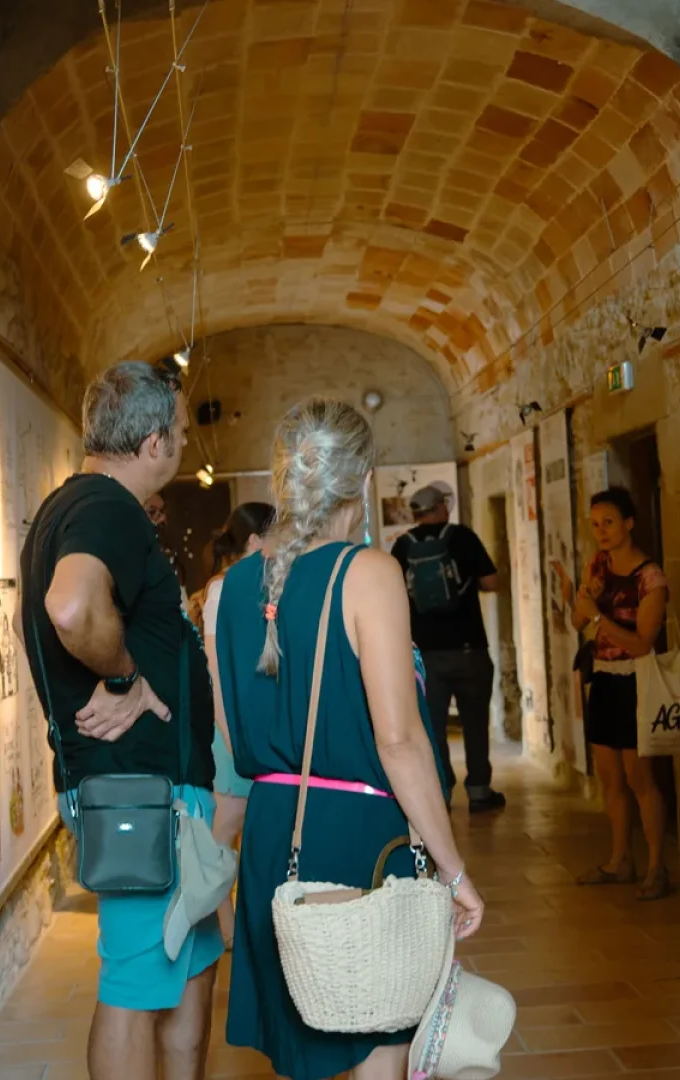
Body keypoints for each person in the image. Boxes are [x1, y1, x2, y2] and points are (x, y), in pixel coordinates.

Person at [213, 399, 484, 1080]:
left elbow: (231, 736)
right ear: (362, 478)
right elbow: (399, 742)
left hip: (275, 834)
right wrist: (454, 871)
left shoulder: (228, 589)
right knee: (378, 1047)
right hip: (359, 835)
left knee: (304, 1049)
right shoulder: (367, 574)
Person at [18, 361, 222, 1080]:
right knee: (136, 987)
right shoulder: (105, 508)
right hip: (137, 795)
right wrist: (125, 676)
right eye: (182, 433)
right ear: (156, 442)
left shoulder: (89, 506)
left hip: (159, 789)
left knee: (191, 964)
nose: (183, 447)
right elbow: (71, 606)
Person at [557, 487, 672, 901]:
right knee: (610, 778)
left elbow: (643, 643)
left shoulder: (650, 577)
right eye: (594, 525)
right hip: (603, 678)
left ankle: (657, 865)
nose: (600, 531)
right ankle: (620, 859)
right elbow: (577, 623)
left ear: (629, 523)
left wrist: (598, 617)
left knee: (640, 777)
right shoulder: (598, 565)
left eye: (608, 522)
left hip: (637, 680)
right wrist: (576, 597)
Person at [389, 485, 506, 812]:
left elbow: (392, 595)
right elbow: (491, 582)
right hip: (469, 649)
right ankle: (480, 791)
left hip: (425, 654)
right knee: (475, 722)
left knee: (433, 728)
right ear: (441, 507)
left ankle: (441, 791)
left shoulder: (403, 546)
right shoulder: (463, 538)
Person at [192, 500, 274, 947]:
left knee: (238, 824)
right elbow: (216, 668)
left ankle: (236, 922)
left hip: (250, 721)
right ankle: (223, 924)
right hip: (232, 725)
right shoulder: (225, 588)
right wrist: (227, 734)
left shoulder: (259, 584)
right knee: (226, 827)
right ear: (254, 541)